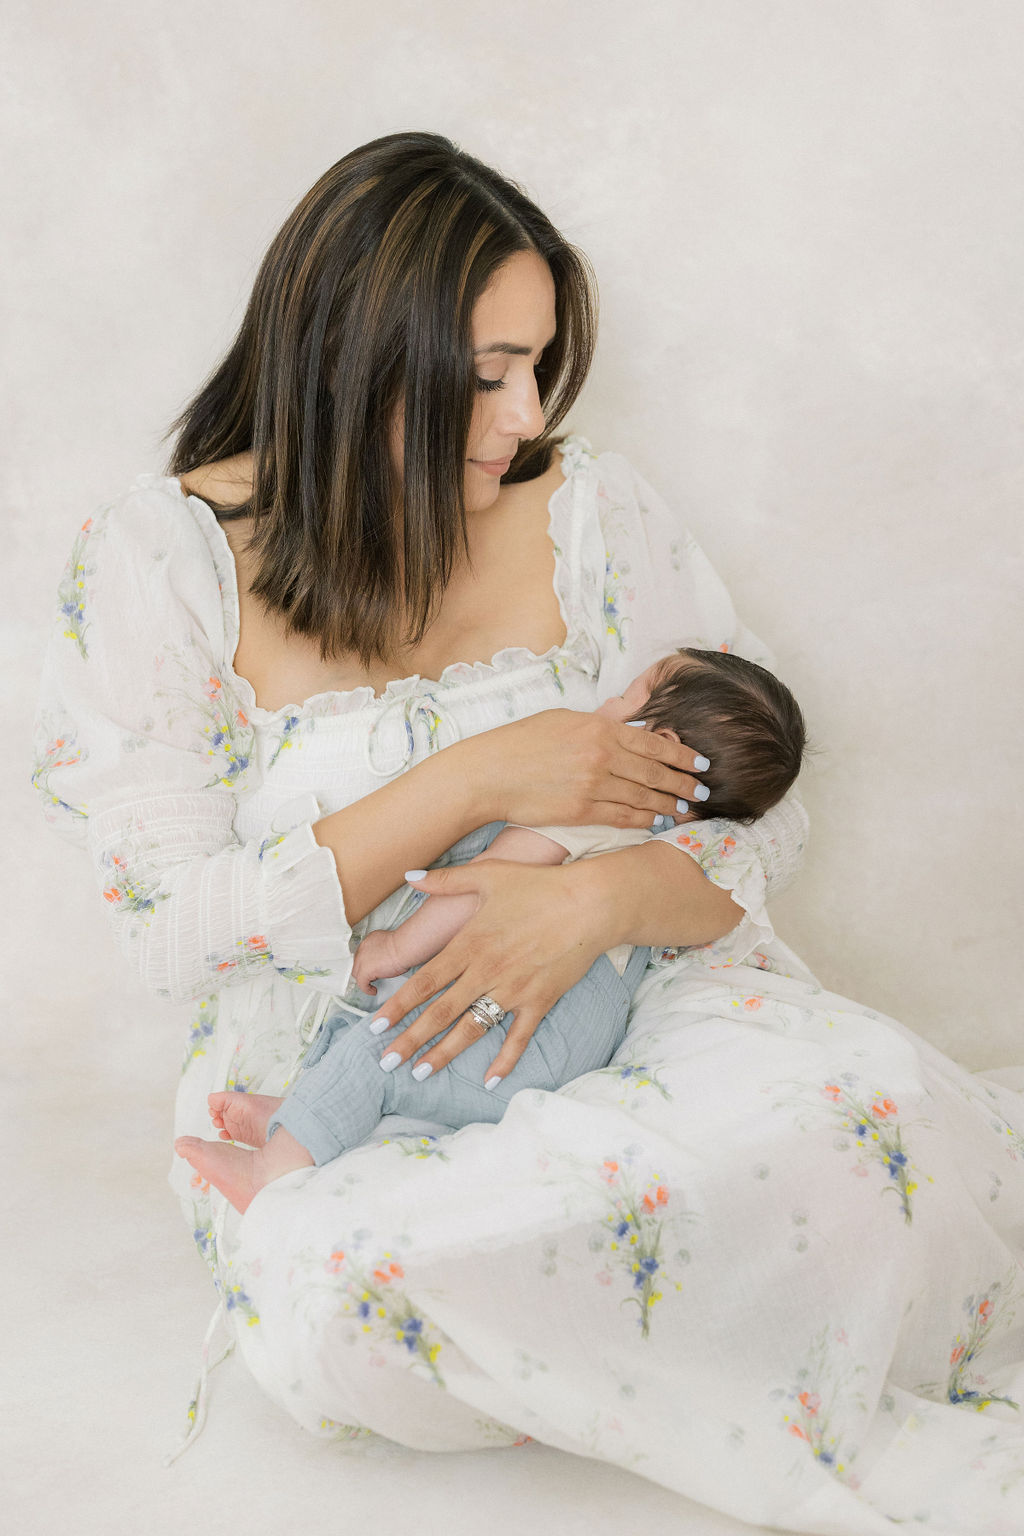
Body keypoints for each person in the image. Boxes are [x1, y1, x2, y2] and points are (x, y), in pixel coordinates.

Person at [32, 132, 1024, 1532]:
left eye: (540, 365)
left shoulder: (594, 514)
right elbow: (174, 927)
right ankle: (676, 1297)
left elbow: (749, 814)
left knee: (868, 1105)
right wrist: (484, 777)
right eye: (487, 370)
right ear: (354, 351)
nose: (524, 410)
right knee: (341, 1288)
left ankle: (669, 1289)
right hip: (344, 1089)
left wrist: (602, 902)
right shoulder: (162, 563)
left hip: (632, 1017)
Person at [173, 646, 808, 1213]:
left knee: (382, 1046)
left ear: (656, 741)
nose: (606, 701)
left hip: (525, 1036)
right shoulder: (675, 835)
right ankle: (303, 1114)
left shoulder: (591, 814)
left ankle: (271, 1173)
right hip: (563, 1039)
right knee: (376, 1034)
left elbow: (478, 885)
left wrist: (394, 946)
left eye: (625, 695)